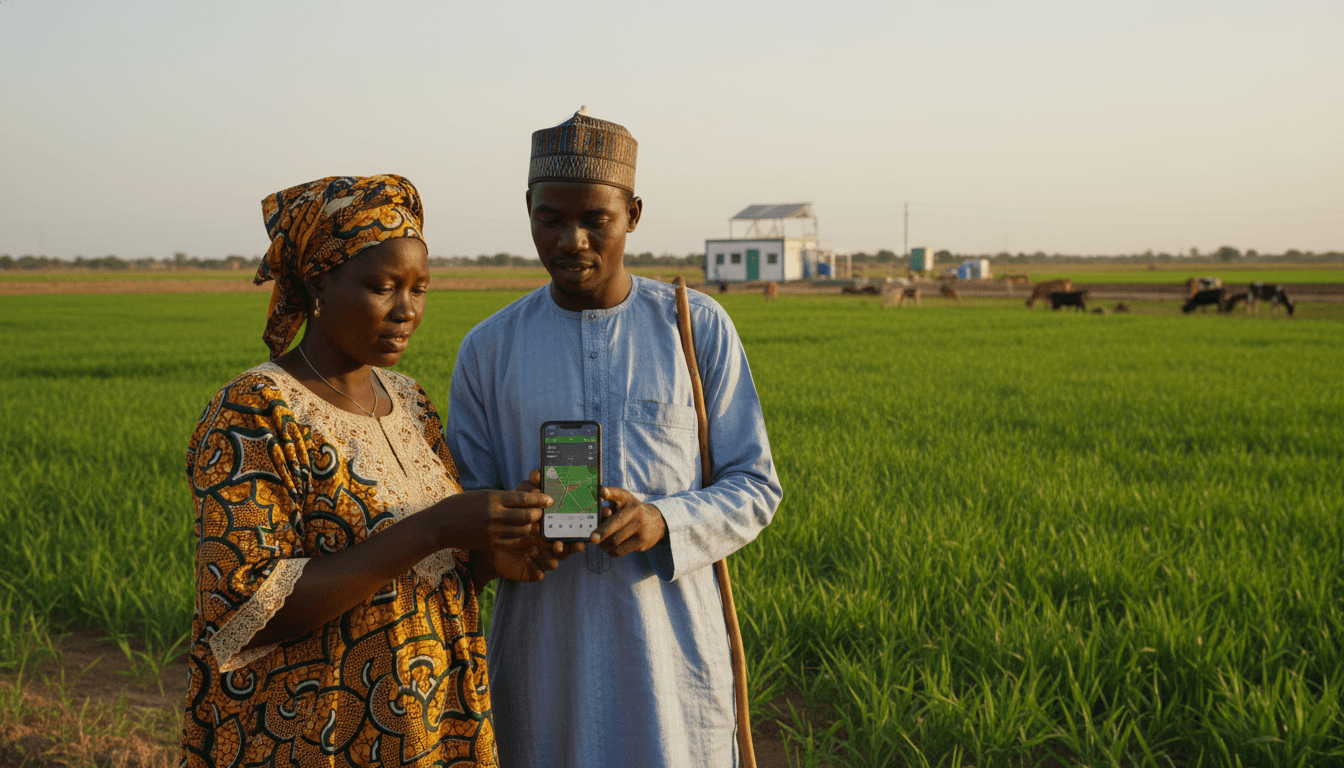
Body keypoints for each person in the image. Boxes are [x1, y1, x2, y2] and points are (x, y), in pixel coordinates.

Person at [178, 175, 562, 768]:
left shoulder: (410, 402)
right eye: (382, 287)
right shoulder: (257, 411)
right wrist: (434, 528)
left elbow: (434, 575)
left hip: (432, 724)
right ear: (317, 285)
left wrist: (495, 553)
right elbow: (241, 616)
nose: (406, 310)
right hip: (316, 733)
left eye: (420, 289)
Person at [446, 110, 783, 766]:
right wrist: (514, 521)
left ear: (632, 213)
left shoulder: (696, 328)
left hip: (669, 657)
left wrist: (663, 519)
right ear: (528, 212)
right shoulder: (488, 348)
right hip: (543, 658)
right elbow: (465, 510)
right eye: (550, 218)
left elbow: (754, 486)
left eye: (595, 219)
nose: (571, 239)